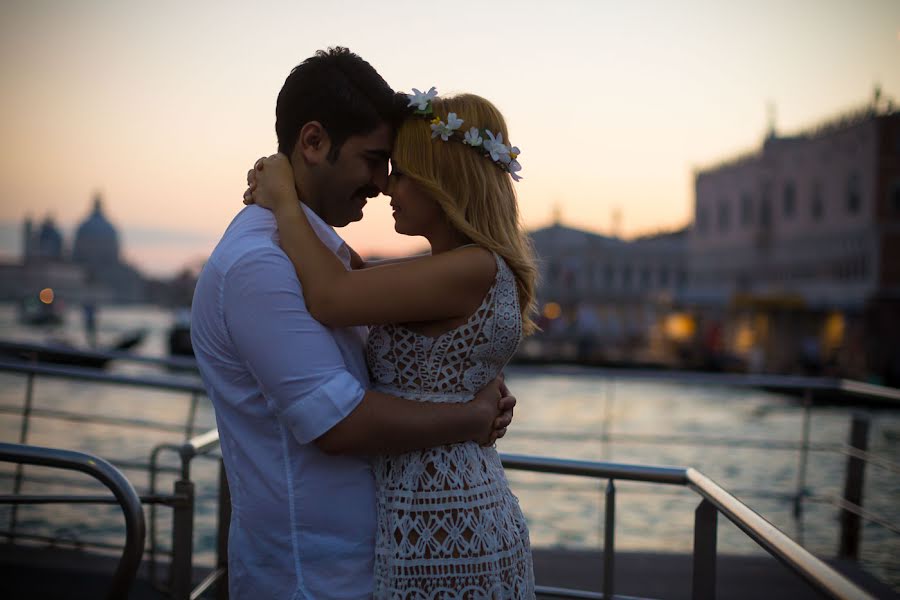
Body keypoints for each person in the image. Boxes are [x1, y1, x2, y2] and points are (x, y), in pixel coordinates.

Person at [191, 48, 515, 600]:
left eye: (397, 170)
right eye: (374, 160)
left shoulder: (327, 257)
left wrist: (464, 389)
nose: (383, 183)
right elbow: (339, 423)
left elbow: (349, 308)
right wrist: (469, 413)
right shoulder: (261, 266)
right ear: (313, 143)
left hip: (395, 554)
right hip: (314, 579)